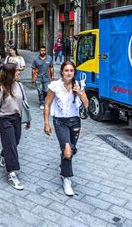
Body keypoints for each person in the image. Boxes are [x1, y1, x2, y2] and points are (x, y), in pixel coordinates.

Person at [43, 60, 88, 196]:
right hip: (60, 122)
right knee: (68, 152)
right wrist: (46, 123)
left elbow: (86, 105)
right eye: (66, 70)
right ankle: (66, 179)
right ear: (62, 71)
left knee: (70, 149)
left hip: (75, 121)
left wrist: (80, 92)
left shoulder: (78, 85)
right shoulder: (54, 86)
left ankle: (64, 164)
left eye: (71, 71)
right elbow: (47, 105)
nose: (69, 73)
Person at [0, 63, 30, 190]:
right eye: (16, 71)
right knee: (11, 146)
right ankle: (12, 174)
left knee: (15, 142)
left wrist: (28, 119)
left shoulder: (19, 85)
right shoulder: (0, 88)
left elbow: (24, 102)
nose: (19, 73)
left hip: (17, 118)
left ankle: (3, 154)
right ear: (10, 73)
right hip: (4, 119)